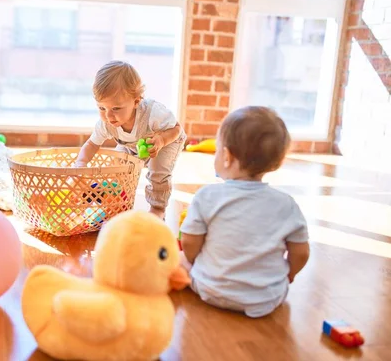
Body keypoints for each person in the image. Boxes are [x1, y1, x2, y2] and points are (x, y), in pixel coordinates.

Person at [179, 106, 310, 318]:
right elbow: (301, 253)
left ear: (227, 156)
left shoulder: (207, 196)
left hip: (209, 289)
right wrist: (289, 275)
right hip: (267, 298)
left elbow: (189, 242)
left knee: (177, 259)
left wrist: (194, 261)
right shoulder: (287, 205)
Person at [74, 60, 186, 219]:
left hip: (166, 141)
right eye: (101, 108)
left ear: (136, 101)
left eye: (116, 108)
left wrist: (161, 140)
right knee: (116, 166)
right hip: (133, 146)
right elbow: (91, 144)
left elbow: (176, 129)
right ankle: (118, 200)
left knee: (158, 172)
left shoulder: (153, 113)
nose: (108, 115)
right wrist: (81, 163)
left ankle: (158, 208)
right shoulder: (106, 123)